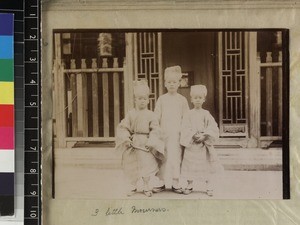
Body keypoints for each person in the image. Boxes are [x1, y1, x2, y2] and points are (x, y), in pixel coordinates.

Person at [115, 80, 164, 197]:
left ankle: (147, 185)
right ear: (135, 100)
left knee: (146, 165)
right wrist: (126, 138)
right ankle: (133, 185)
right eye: (139, 98)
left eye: (144, 98)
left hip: (145, 144)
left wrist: (151, 141)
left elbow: (156, 130)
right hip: (134, 143)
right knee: (132, 165)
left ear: (148, 100)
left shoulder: (151, 115)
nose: (142, 101)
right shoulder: (131, 114)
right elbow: (124, 127)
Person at [180, 85, 223, 196]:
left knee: (205, 164)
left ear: (204, 99)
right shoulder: (188, 114)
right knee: (190, 164)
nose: (198, 100)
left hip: (203, 144)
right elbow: (185, 127)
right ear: (191, 99)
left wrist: (205, 135)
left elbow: (212, 126)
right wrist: (192, 135)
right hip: (192, 144)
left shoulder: (206, 114)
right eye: (195, 97)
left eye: (200, 97)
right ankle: (190, 184)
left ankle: (208, 185)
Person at [153, 65, 189, 193]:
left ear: (179, 83)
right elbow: (156, 116)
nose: (172, 84)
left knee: (176, 157)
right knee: (163, 157)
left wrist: (184, 132)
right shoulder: (162, 99)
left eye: (174, 82)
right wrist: (156, 129)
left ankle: (175, 182)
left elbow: (186, 118)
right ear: (165, 84)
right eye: (169, 82)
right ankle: (161, 181)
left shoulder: (182, 100)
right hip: (164, 133)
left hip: (177, 134)